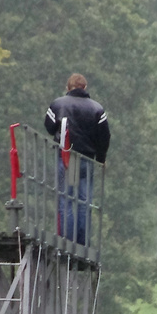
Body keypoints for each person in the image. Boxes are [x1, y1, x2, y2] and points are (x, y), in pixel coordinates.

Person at [44, 74, 109, 244]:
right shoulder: (97, 109)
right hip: (87, 160)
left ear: (68, 87)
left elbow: (49, 127)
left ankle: (67, 241)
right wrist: (101, 158)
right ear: (85, 88)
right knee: (84, 202)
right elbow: (104, 136)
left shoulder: (59, 104)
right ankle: (82, 243)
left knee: (66, 199)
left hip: (67, 159)